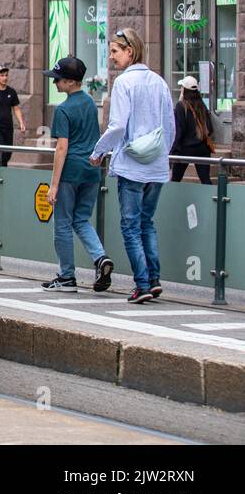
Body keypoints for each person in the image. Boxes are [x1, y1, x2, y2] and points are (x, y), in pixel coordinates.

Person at [89, 28, 174, 304]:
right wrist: (161, 155)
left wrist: (99, 151)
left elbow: (118, 126)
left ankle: (142, 283)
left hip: (132, 165)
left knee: (130, 226)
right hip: (157, 166)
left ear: (130, 51)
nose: (111, 57)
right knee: (146, 223)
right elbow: (169, 126)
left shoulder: (124, 84)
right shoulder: (160, 82)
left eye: (115, 51)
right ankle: (154, 278)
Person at [41, 56, 115, 293]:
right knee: (81, 219)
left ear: (71, 82)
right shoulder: (90, 104)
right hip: (92, 170)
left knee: (62, 223)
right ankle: (100, 257)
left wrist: (53, 185)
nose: (54, 84)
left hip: (70, 171)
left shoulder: (63, 110)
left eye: (58, 80)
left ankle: (66, 276)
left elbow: (61, 148)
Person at [171, 76, 213, 185]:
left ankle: (172, 200)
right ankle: (212, 199)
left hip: (185, 149)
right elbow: (210, 128)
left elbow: (179, 131)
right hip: (202, 148)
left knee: (176, 179)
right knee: (205, 179)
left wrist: (174, 150)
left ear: (184, 89)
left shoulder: (181, 106)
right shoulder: (202, 105)